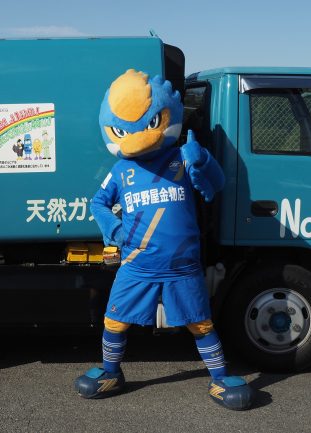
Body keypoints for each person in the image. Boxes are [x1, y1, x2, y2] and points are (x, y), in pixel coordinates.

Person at [74, 69, 252, 410]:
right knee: (115, 320)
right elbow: (98, 203)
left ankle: (219, 378)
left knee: (201, 323)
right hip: (136, 265)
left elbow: (216, 185)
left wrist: (203, 161)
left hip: (182, 266)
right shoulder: (121, 171)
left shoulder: (182, 158)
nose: (137, 137)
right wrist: (116, 231)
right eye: (122, 130)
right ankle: (111, 372)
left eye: (151, 121)